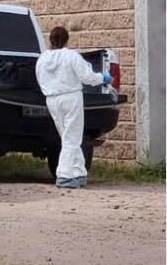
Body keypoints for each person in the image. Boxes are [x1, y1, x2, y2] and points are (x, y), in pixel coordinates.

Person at [35, 26, 112, 189]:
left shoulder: (42, 59)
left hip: (52, 99)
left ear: (50, 40)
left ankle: (78, 172)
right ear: (66, 40)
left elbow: (40, 79)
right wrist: (102, 78)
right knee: (72, 138)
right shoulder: (71, 56)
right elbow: (87, 77)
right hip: (71, 97)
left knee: (67, 136)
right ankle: (64, 175)